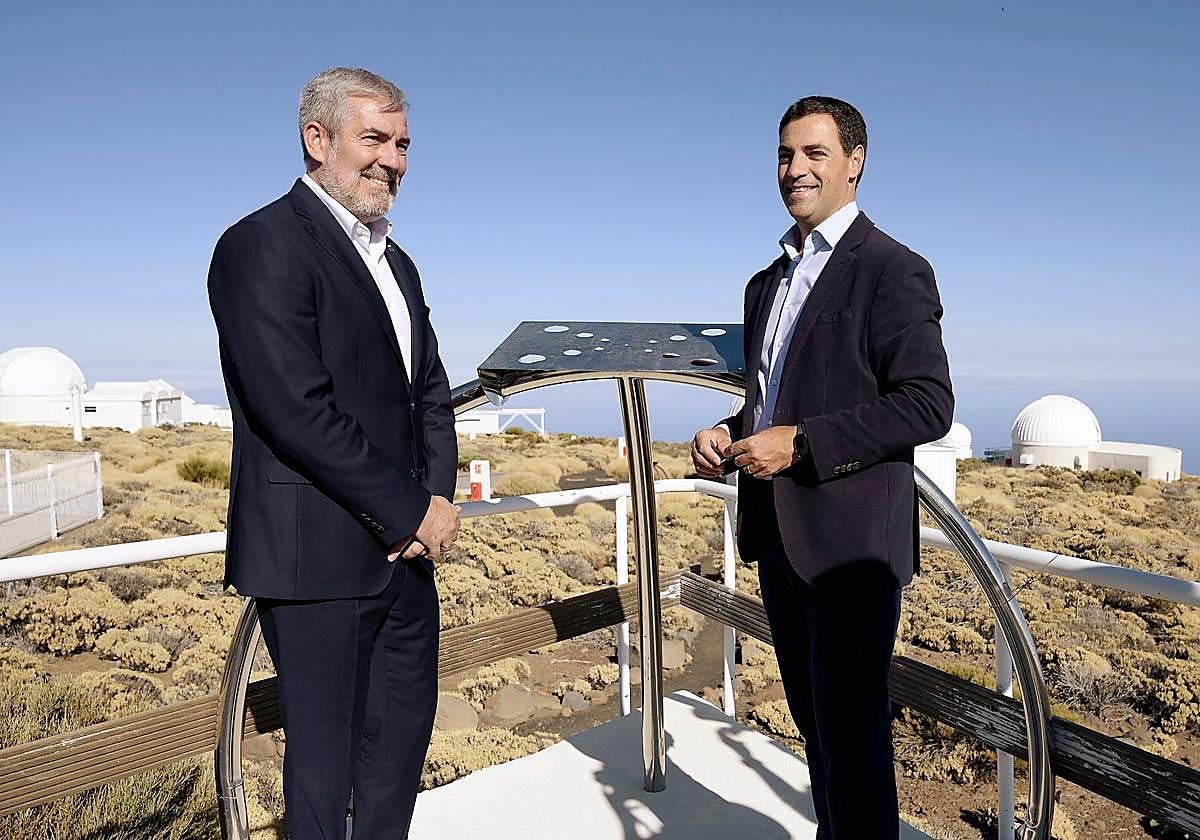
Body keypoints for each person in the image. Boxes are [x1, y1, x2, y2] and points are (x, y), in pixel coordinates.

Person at [691, 96, 953, 839]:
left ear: (855, 162)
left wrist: (799, 444)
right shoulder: (765, 282)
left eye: (814, 154)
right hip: (777, 536)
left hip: (850, 549)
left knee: (855, 740)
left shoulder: (893, 270)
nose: (795, 169)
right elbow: (776, 398)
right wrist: (729, 430)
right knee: (816, 728)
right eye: (785, 155)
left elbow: (927, 404)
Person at [208, 67, 459, 839]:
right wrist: (409, 509)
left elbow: (431, 395)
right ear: (317, 140)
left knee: (397, 760)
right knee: (319, 776)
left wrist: (435, 506)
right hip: (315, 561)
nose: (391, 158)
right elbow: (295, 411)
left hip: (407, 561)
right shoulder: (261, 246)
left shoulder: (397, 261)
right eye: (373, 138)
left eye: (403, 143)